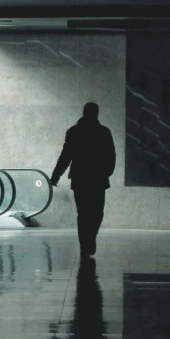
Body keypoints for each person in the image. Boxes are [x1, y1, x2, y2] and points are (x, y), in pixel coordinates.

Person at [50, 102, 115, 257]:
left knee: (84, 213)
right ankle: (90, 239)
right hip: (98, 179)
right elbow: (110, 155)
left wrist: (56, 175)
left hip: (80, 179)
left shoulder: (74, 132)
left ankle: (85, 242)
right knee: (96, 212)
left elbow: (65, 156)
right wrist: (107, 172)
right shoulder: (103, 132)